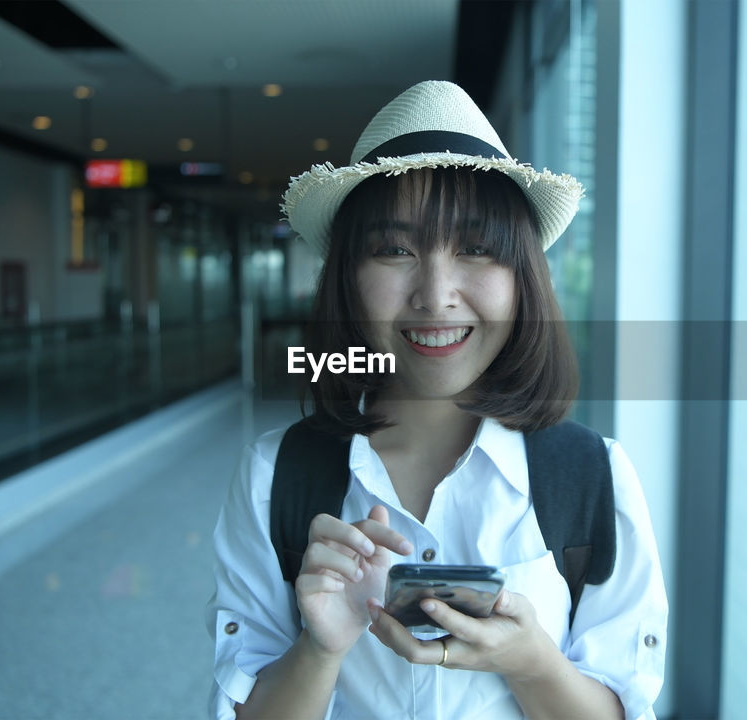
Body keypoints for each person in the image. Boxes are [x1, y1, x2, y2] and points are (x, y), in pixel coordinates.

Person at [206, 80, 667, 720]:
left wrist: (533, 662)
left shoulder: (591, 477)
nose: (436, 294)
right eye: (394, 250)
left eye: (476, 248)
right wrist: (319, 648)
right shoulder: (274, 476)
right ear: (347, 275)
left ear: (522, 276)